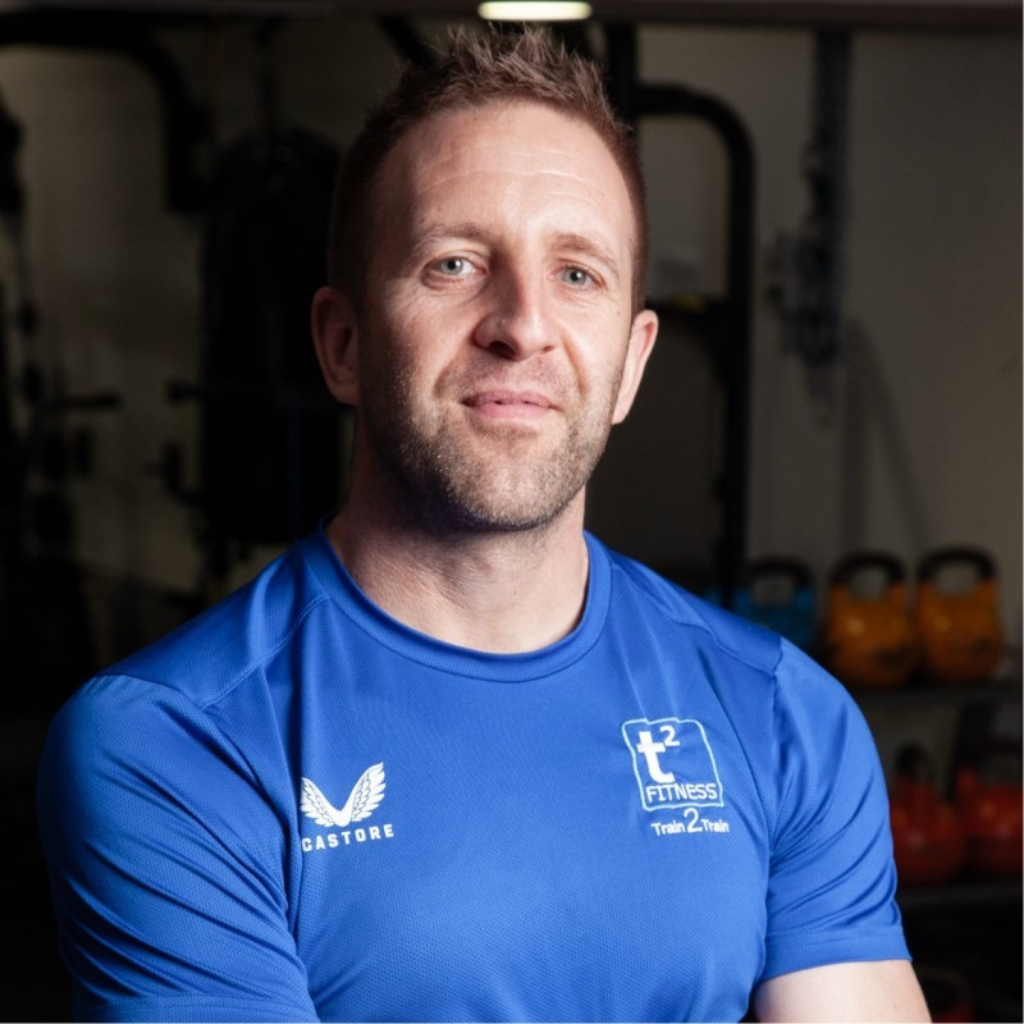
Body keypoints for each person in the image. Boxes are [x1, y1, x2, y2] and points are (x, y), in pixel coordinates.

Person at [37, 27, 930, 1023]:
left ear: (632, 364)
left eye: (578, 274)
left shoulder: (784, 717)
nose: (524, 324)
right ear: (342, 344)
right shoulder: (176, 744)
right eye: (455, 263)